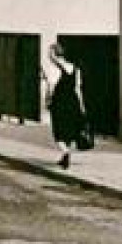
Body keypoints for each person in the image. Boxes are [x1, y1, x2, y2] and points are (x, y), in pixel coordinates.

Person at [45, 41, 87, 169]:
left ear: (54, 54)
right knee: (69, 128)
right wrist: (82, 106)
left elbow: (51, 87)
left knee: (59, 130)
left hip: (59, 102)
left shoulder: (54, 69)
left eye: (50, 54)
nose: (49, 56)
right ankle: (64, 157)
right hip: (73, 102)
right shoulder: (75, 68)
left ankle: (65, 152)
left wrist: (47, 100)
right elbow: (78, 89)